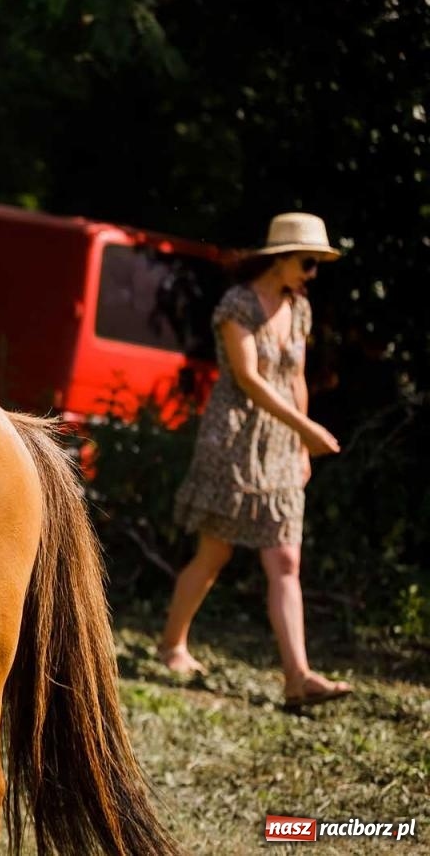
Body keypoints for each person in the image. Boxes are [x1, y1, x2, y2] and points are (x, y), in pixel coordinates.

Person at [158, 212, 351, 711]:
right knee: (215, 553)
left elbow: (297, 379)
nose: (312, 273)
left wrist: (299, 445)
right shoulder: (237, 305)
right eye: (308, 263)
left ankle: (298, 678)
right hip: (235, 438)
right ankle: (172, 644)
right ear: (280, 258)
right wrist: (306, 430)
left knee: (286, 559)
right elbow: (248, 379)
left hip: (281, 441)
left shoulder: (299, 308)